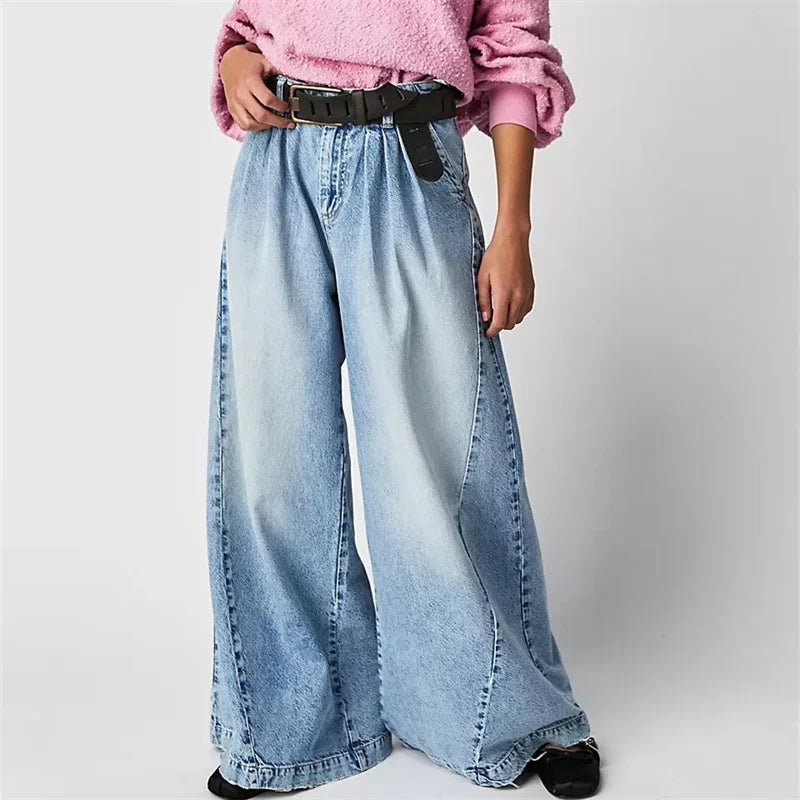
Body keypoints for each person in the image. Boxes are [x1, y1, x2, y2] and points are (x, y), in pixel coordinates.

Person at [204, 1, 601, 797]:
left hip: (409, 156)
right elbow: (252, 23)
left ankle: (504, 715)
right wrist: (234, 61)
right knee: (272, 462)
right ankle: (289, 731)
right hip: (278, 164)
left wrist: (514, 228)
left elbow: (513, 50)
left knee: (440, 457)